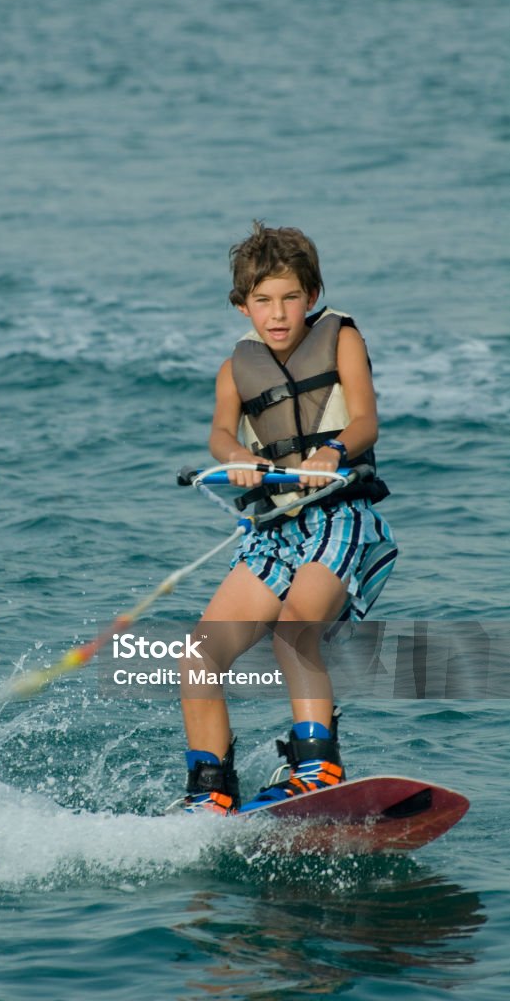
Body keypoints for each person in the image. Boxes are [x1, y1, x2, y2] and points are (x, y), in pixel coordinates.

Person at [178, 222, 398, 814]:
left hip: (337, 517)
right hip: (276, 533)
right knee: (200, 654)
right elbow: (221, 434)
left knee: (296, 627)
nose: (277, 314)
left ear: (311, 294)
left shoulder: (341, 339)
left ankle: (317, 767)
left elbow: (366, 423)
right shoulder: (236, 369)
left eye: (290, 298)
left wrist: (333, 452)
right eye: (262, 301)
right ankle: (211, 790)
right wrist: (238, 460)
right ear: (242, 304)